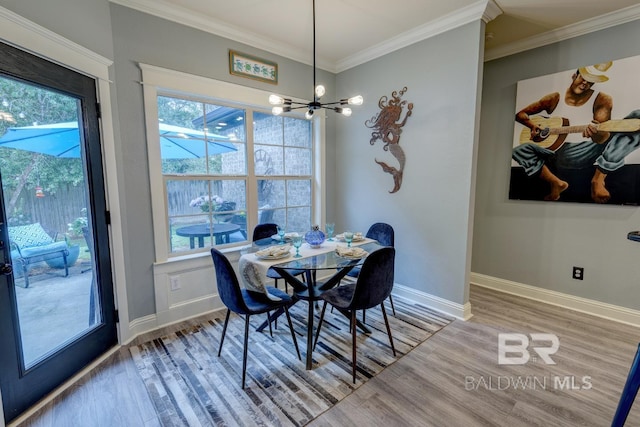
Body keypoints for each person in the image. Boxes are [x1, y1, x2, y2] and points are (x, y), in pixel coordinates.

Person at [512, 61, 640, 203]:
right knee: (519, 150)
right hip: (556, 154)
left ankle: (599, 177)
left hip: (588, 149)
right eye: (583, 77)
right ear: (574, 75)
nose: (585, 82)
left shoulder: (602, 99)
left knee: (637, 117)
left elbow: (602, 138)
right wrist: (532, 126)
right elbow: (520, 115)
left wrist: (595, 133)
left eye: (591, 81)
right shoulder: (554, 98)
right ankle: (555, 182)